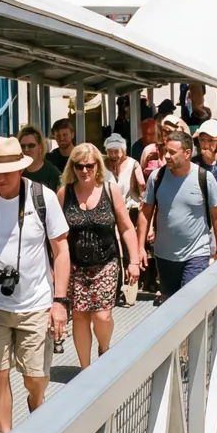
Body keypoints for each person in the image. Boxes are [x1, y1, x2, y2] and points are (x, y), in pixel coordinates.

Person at [0, 136, 72, 433]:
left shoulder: (42, 198)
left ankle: (36, 403)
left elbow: (61, 250)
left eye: (8, 169)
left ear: (21, 169)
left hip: (35, 303)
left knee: (36, 378)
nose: (1, 177)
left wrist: (60, 301)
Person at [59, 142, 141, 365]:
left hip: (106, 263)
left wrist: (134, 260)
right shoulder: (64, 193)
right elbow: (57, 236)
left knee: (102, 316)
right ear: (72, 167)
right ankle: (85, 368)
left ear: (97, 166)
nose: (84, 171)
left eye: (89, 165)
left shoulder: (109, 190)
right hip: (75, 266)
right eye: (79, 166)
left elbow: (125, 227)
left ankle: (104, 350)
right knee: (79, 316)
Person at [140, 130, 217, 302]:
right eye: (165, 151)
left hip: (196, 254)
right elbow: (145, 213)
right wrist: (140, 248)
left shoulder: (204, 178)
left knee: (190, 302)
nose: (166, 156)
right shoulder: (156, 177)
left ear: (187, 153)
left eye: (172, 152)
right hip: (164, 256)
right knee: (170, 304)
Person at [101, 131, 143, 219]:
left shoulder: (133, 164)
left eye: (116, 151)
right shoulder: (101, 165)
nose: (113, 155)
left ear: (124, 151)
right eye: (110, 151)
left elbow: (143, 190)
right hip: (108, 213)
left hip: (129, 213)